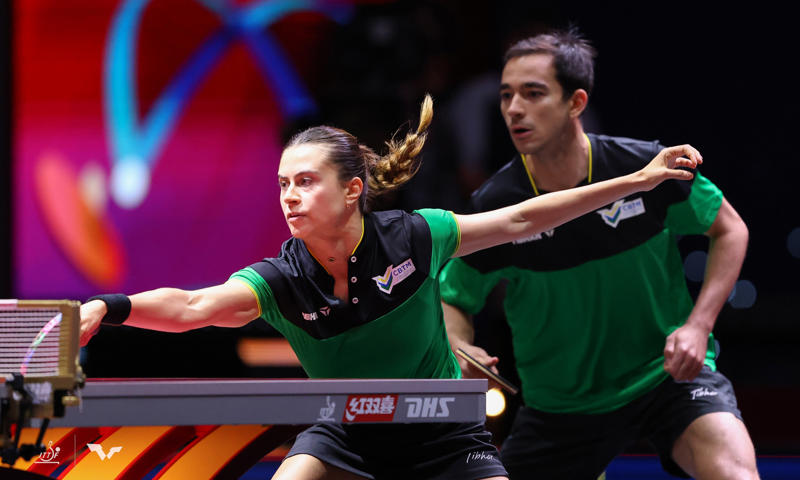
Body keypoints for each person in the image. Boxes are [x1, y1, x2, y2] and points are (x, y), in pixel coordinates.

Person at [79, 94, 701, 480]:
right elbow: (192, 306)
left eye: (305, 182)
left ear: (353, 189)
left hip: (444, 435)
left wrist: (634, 182)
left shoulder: (416, 237)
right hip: (344, 435)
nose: (289, 196)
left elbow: (520, 219)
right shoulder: (283, 279)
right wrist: (107, 307)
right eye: (282, 184)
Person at [438, 29, 757, 480]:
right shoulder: (497, 205)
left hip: (666, 379)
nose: (514, 109)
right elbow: (453, 295)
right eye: (507, 95)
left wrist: (698, 326)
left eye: (533, 93)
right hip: (560, 409)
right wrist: (460, 347)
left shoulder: (644, 169)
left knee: (734, 473)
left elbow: (730, 229)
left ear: (576, 102)